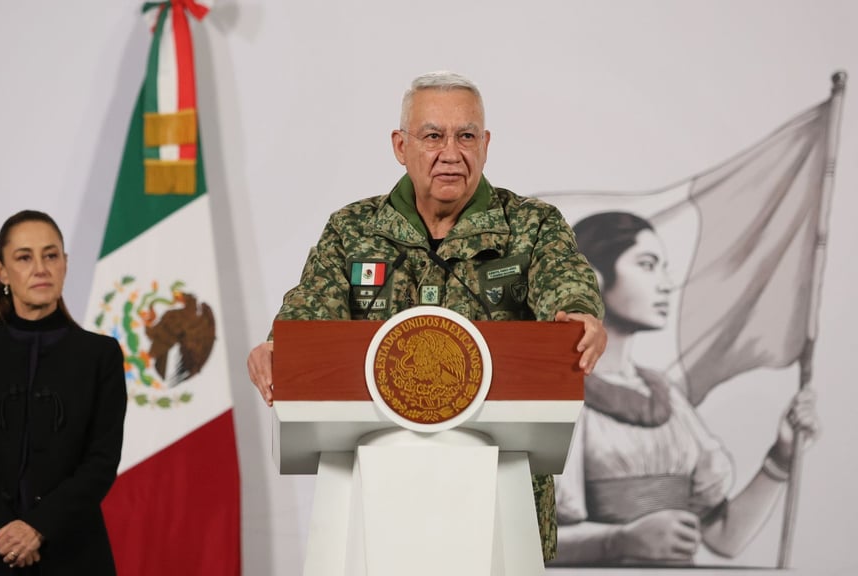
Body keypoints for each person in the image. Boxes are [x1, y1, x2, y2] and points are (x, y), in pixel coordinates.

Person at [246, 71, 607, 561]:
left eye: (466, 136)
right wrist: (279, 349)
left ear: (486, 144)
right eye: (433, 136)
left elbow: (565, 285)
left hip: (501, 500)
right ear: (401, 145)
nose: (451, 152)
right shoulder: (353, 230)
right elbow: (311, 311)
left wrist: (580, 316)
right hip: (372, 501)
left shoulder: (531, 225)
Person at [553, 211, 819, 566]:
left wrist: (782, 457)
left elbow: (724, 539)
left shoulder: (666, 396)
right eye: (647, 265)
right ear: (592, 280)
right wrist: (618, 541)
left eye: (664, 267)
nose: (665, 284)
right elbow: (526, 539)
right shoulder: (561, 394)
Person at [0, 210, 127, 575]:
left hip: (72, 551)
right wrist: (3, 530)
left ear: (65, 264)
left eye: (50, 255)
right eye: (24, 257)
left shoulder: (100, 356)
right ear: (2, 271)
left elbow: (101, 461)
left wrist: (38, 527)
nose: (41, 268)